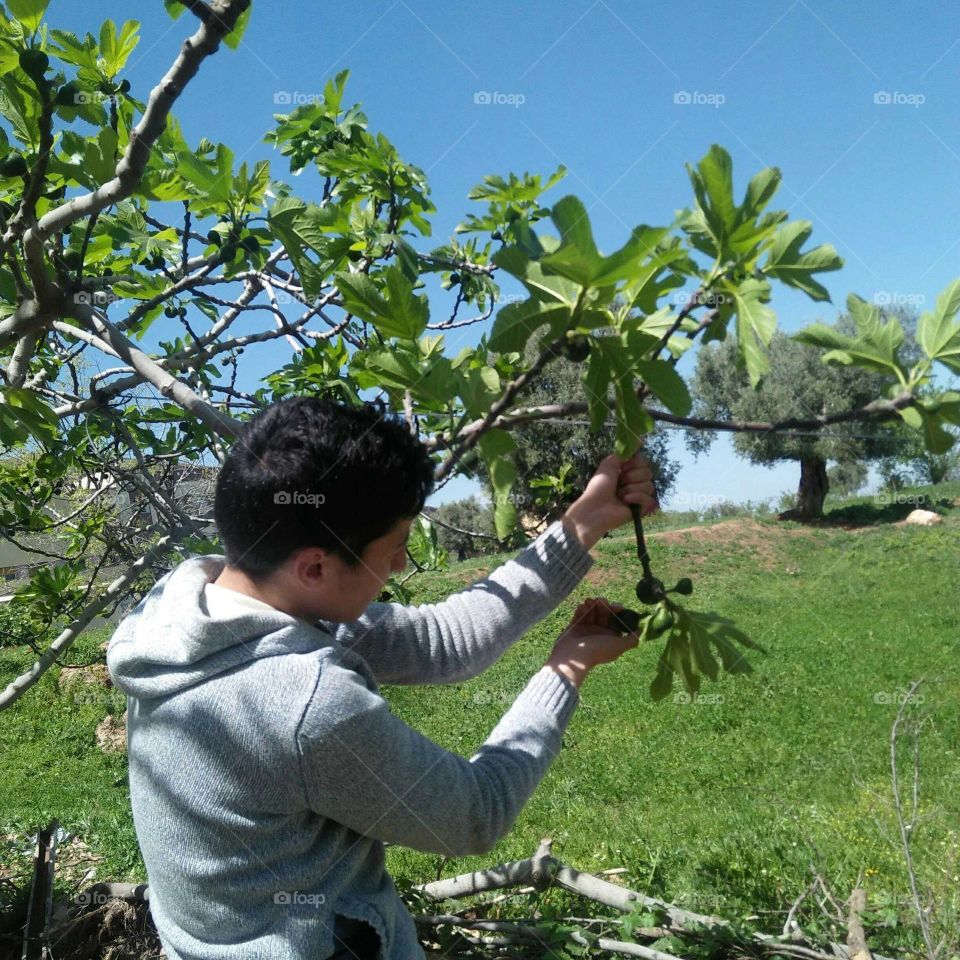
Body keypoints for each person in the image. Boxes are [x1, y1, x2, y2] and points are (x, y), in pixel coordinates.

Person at [106, 396, 658, 960]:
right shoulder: (303, 704)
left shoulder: (191, 609)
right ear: (316, 567)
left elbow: (444, 640)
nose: (398, 567)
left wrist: (585, 520)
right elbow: (473, 814)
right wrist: (568, 666)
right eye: (393, 550)